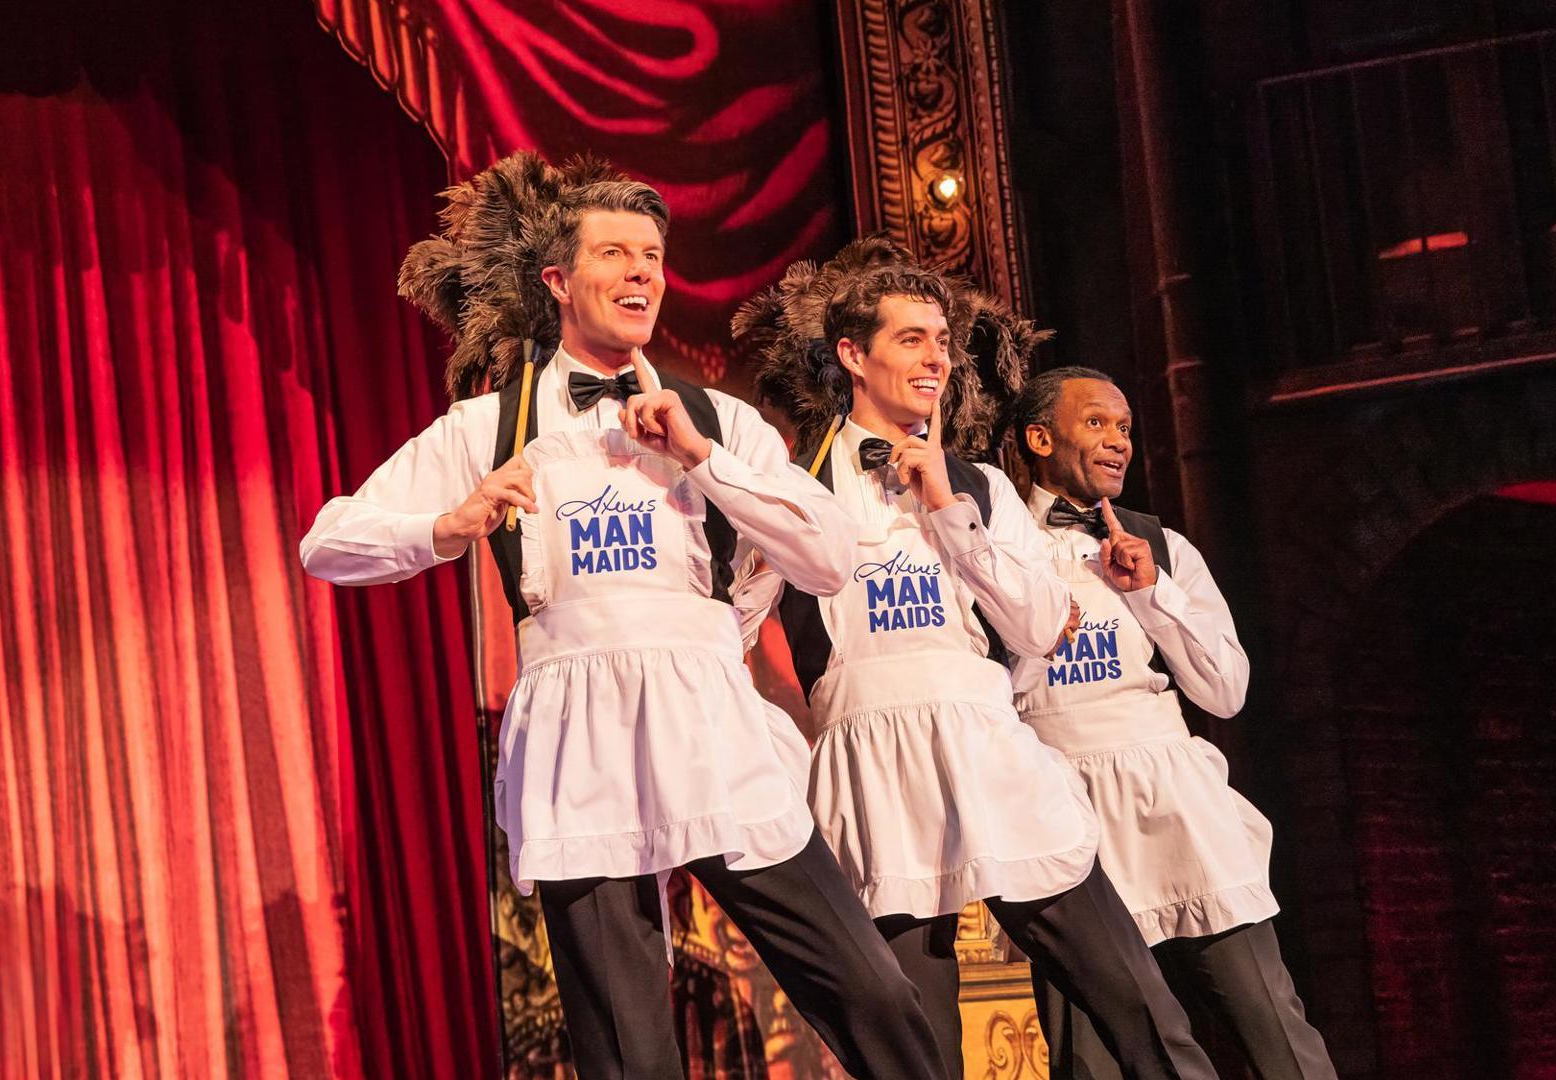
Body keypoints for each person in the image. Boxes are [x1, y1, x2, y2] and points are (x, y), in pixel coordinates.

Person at [299, 152, 946, 1080]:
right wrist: (451, 523)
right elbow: (328, 542)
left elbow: (832, 555)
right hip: (577, 729)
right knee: (627, 1046)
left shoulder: (717, 419)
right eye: (617, 254)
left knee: (871, 990)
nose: (644, 270)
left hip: (708, 709)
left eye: (653, 253)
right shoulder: (487, 426)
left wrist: (703, 462)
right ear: (560, 280)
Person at [733, 243, 1220, 1079]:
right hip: (871, 760)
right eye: (913, 340)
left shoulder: (984, 487)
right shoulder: (792, 482)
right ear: (853, 354)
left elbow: (1039, 627)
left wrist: (951, 511)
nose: (936, 359)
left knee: (1143, 1008)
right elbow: (731, 626)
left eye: (941, 341)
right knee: (916, 1046)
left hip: (988, 741)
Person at [1008, 365, 1338, 1079]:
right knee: (1089, 1053)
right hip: (1065, 808)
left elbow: (1225, 690)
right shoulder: (997, 552)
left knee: (1271, 1022)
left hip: (1174, 800)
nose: (1118, 441)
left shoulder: (1164, 546)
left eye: (1124, 428)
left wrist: (1153, 593)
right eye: (1096, 422)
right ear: (1039, 437)